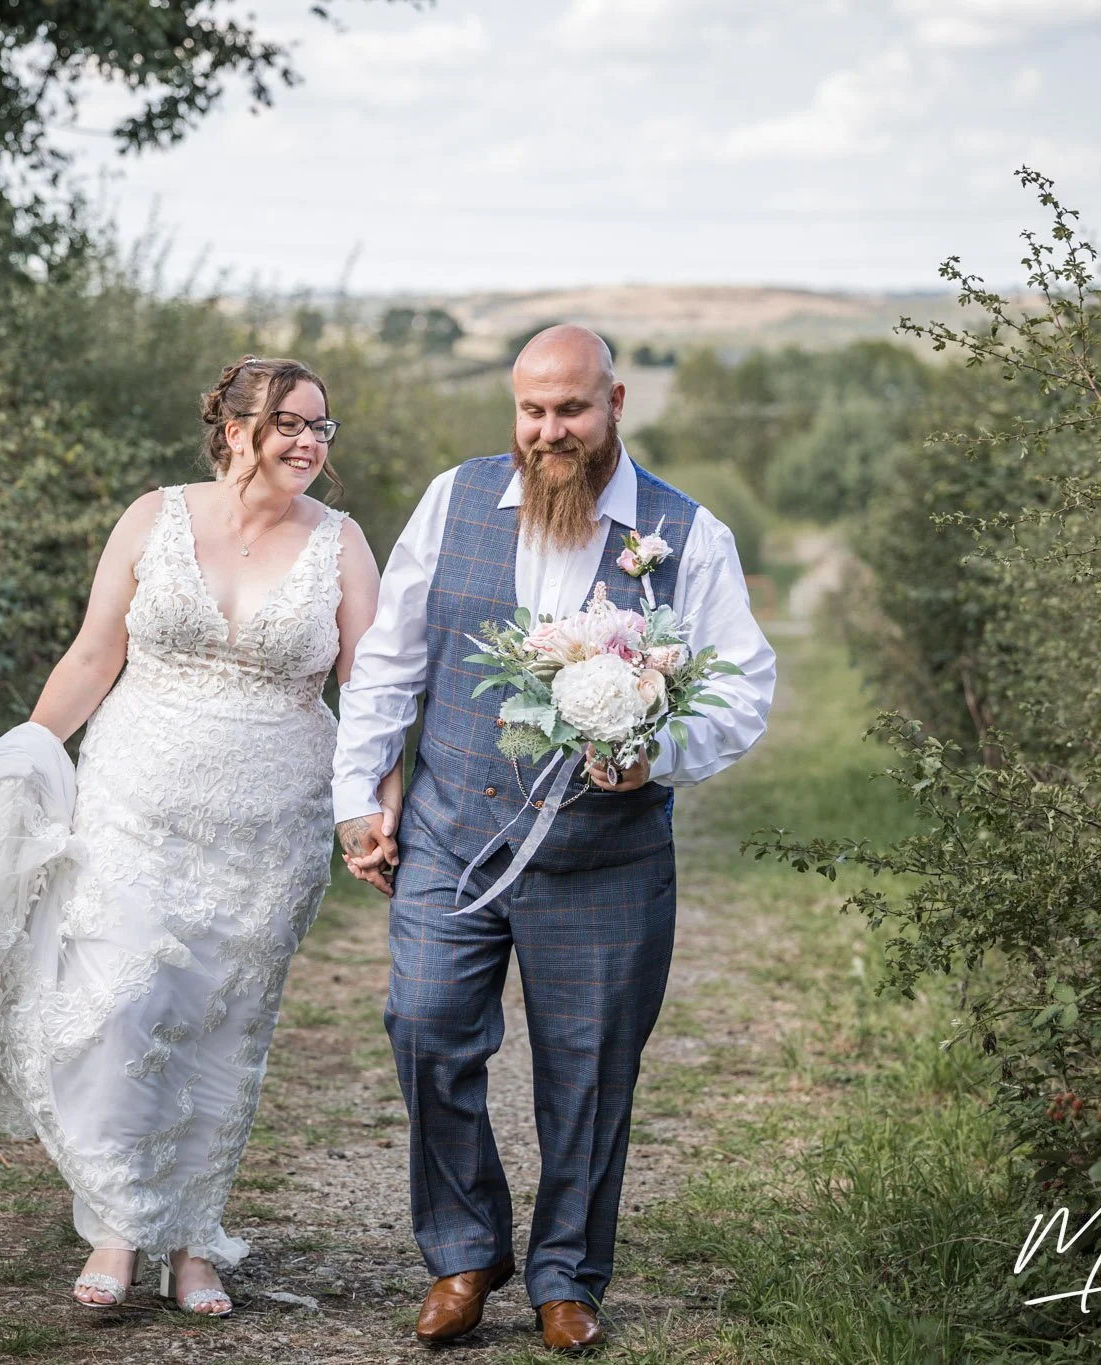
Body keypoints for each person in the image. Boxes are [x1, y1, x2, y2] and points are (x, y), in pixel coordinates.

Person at [0, 356, 382, 1317]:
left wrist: (371, 809)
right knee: (122, 1004)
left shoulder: (343, 543)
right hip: (132, 802)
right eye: (289, 423)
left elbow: (368, 692)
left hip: (269, 823)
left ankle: (194, 1239)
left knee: (220, 1025)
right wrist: (33, 754)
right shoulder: (154, 516)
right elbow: (93, 653)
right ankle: (120, 1222)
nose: (311, 443)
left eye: (322, 427)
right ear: (234, 427)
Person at [332, 325, 776, 1352]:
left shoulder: (685, 534)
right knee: (425, 1027)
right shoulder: (452, 501)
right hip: (452, 835)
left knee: (588, 1071)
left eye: (569, 410)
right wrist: (359, 796)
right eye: (530, 411)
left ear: (615, 402)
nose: (547, 431)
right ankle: (462, 1251)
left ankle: (566, 1275)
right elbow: (390, 660)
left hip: (604, 855)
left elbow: (743, 691)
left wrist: (653, 754)